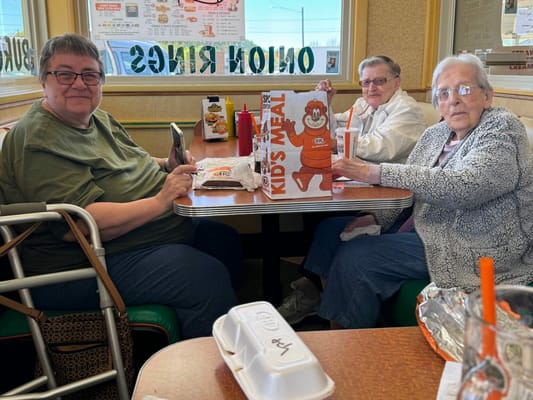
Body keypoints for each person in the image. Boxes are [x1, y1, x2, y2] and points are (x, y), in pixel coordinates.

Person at [0, 33, 241, 339]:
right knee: (206, 277)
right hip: (80, 267)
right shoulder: (39, 140)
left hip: (137, 241)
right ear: (43, 80)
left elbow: (126, 161)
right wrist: (160, 201)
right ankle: (202, 376)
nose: (79, 83)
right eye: (64, 74)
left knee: (225, 242)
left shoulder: (97, 119)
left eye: (89, 75)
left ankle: (199, 339)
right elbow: (77, 225)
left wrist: (166, 164)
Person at [302, 53, 533, 329]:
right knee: (330, 231)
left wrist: (372, 172)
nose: (453, 100)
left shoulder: (502, 128)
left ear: (487, 96)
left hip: (471, 242)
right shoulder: (436, 134)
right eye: (444, 93)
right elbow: (408, 188)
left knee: (357, 257)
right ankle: (328, 313)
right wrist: (377, 219)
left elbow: (465, 185)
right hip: (426, 224)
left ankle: (349, 346)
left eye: (464, 89)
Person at [278, 55, 427, 324]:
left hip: (397, 204)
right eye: (366, 82)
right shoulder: (364, 106)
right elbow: (334, 125)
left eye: (379, 81)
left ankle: (339, 322)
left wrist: (334, 141)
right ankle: (317, 297)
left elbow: (377, 146)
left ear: (397, 81)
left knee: (341, 240)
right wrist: (323, 105)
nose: (371, 88)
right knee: (326, 229)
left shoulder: (407, 111)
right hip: (371, 194)